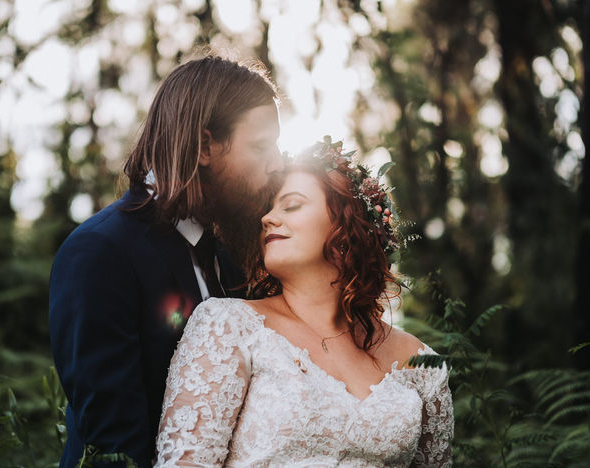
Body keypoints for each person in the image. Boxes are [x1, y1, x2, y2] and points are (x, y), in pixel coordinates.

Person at [155, 138, 454, 467]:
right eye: (269, 208)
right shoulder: (227, 327)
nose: (268, 218)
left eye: (291, 204)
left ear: (347, 225)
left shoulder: (422, 366)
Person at [48, 55, 283, 468]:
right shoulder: (99, 253)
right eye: (261, 146)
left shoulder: (231, 253)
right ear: (204, 145)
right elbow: (114, 446)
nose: (276, 163)